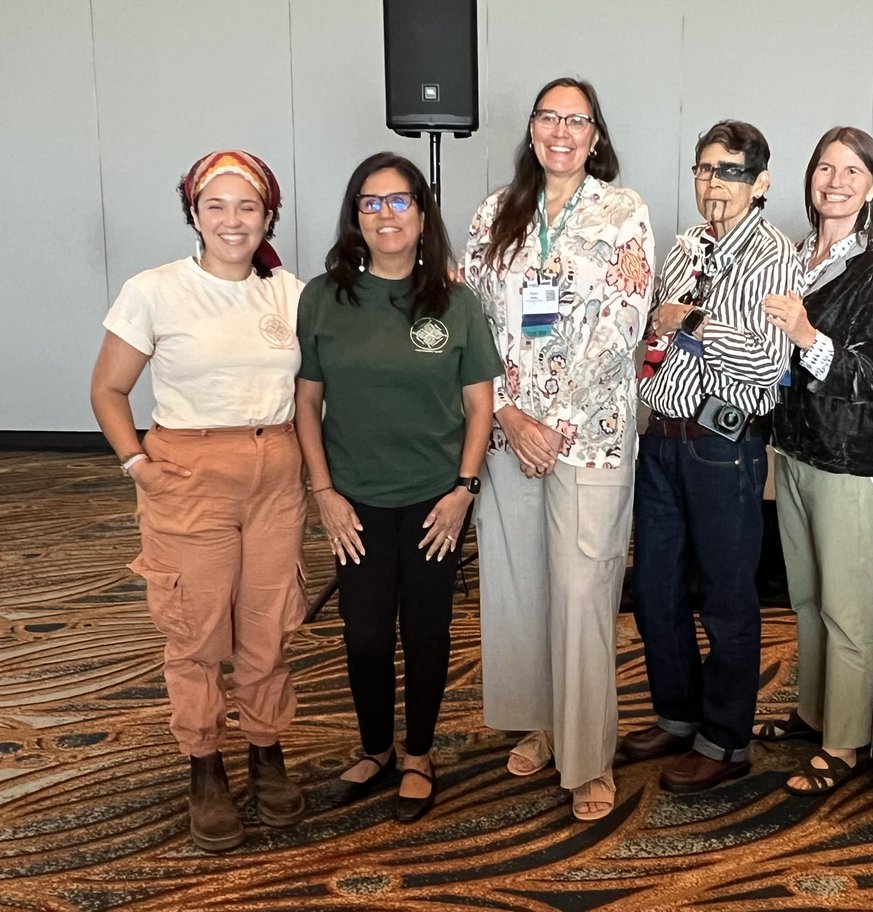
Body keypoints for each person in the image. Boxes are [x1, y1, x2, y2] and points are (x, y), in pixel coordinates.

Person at [90, 150, 307, 852]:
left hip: (276, 471)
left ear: (268, 214)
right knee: (196, 630)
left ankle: (266, 751)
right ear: (193, 213)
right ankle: (204, 765)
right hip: (189, 473)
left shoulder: (289, 293)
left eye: (247, 206)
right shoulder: (154, 290)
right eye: (216, 205)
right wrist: (138, 465)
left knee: (267, 625)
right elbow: (109, 390)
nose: (232, 220)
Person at [462, 77, 654, 821]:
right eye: (549, 117)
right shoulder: (494, 212)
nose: (562, 131)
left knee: (581, 594)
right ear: (533, 129)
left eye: (577, 120)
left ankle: (588, 756)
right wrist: (510, 414)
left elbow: (626, 319)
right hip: (510, 436)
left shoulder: (622, 211)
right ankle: (545, 724)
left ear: (596, 135)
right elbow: (473, 322)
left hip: (591, 437)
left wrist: (557, 421)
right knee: (523, 588)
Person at [294, 153, 500, 822]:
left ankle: (417, 752)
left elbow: (479, 406)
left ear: (421, 214)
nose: (386, 214)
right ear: (356, 216)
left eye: (399, 201)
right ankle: (376, 746)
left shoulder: (456, 303)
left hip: (434, 500)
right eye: (371, 202)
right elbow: (306, 404)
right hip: (353, 500)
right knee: (365, 636)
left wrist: (463, 489)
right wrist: (323, 493)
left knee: (428, 631)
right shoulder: (323, 298)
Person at [625, 120, 801, 793]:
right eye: (703, 169)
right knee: (655, 592)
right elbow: (649, 336)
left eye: (728, 171)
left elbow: (767, 359)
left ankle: (726, 742)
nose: (712, 183)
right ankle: (678, 714)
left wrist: (691, 323)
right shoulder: (680, 249)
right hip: (661, 440)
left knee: (726, 601)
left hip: (723, 445)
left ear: (760, 183)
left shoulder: (775, 255)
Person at [754, 127, 873, 794]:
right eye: (824, 167)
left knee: (846, 608)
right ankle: (815, 714)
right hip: (794, 449)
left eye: (851, 171)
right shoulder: (793, 258)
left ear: (870, 187)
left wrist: (808, 335)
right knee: (807, 599)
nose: (835, 180)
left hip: (847, 463)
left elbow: (868, 380)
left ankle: (848, 742)